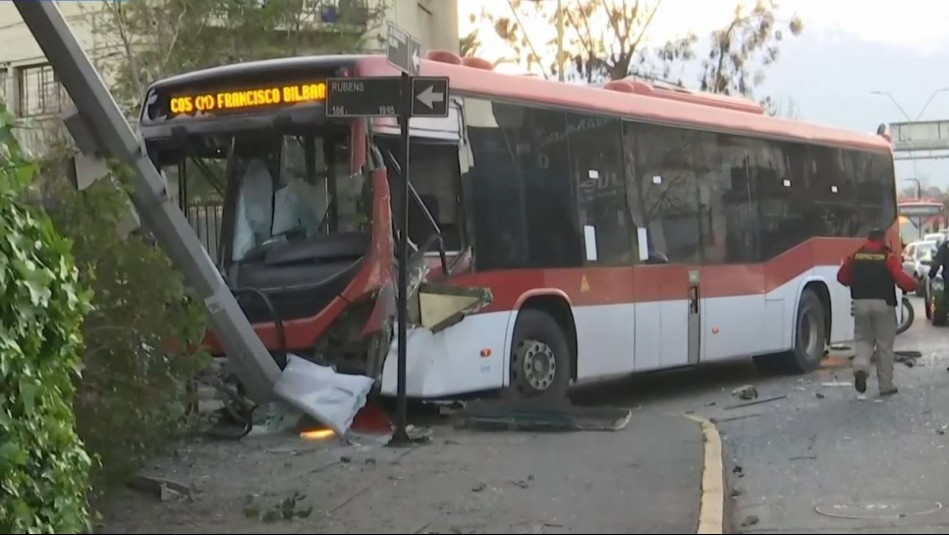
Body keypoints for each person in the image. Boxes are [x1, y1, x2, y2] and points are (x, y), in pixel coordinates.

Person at [836, 229, 917, 397]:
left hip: (859, 304)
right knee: (884, 346)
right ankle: (885, 385)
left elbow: (842, 277)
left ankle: (860, 369)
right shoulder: (888, 257)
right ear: (882, 240)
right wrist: (915, 285)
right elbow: (900, 278)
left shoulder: (856, 256)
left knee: (863, 341)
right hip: (883, 305)